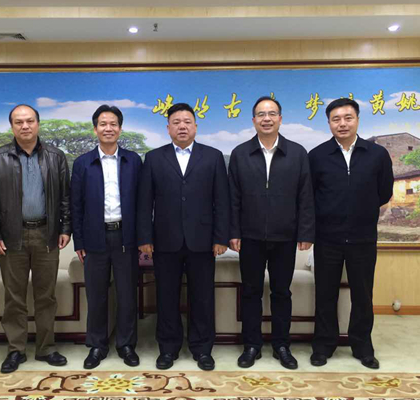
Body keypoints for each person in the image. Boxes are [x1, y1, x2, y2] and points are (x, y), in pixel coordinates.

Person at [137, 102, 230, 371]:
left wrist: (220, 237)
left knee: (202, 297)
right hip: (165, 240)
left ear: (196, 127)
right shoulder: (154, 158)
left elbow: (222, 200)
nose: (182, 126)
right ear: (168, 128)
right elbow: (144, 202)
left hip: (203, 240)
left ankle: (202, 349)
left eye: (187, 122)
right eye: (176, 122)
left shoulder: (213, 156)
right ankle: (168, 348)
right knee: (166, 297)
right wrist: (145, 237)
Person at [0, 104, 71, 373]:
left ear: (38, 124)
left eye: (30, 121)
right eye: (19, 122)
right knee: (14, 297)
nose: (25, 126)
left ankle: (46, 348)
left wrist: (65, 229)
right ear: (12, 126)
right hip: (12, 236)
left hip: (47, 235)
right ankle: (15, 350)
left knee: (46, 296)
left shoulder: (55, 156)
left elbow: (66, 198)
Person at [228, 96, 315, 370]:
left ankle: (281, 345)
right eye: (261, 114)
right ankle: (251, 345)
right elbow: (233, 197)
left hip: (285, 236)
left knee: (281, 293)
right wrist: (233, 231)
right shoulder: (241, 153)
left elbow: (305, 196)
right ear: (253, 120)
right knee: (251, 292)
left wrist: (305, 232)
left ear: (280, 119)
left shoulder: (297, 153)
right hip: (250, 236)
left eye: (272, 113)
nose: (266, 119)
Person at [308, 98, 393, 369]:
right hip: (327, 238)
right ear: (329, 123)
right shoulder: (317, 156)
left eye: (348, 118)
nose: (342, 124)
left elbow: (384, 192)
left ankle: (362, 346)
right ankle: (323, 346)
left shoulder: (377, 154)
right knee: (325, 295)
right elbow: (310, 195)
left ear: (357, 120)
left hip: (363, 238)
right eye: (336, 119)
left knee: (362, 295)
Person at [70, 105, 142, 369]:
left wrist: (142, 238)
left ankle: (126, 345)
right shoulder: (83, 163)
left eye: (113, 124)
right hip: (94, 238)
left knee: (127, 295)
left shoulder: (133, 161)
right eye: (103, 124)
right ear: (95, 129)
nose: (108, 128)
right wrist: (79, 241)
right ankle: (97, 346)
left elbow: (143, 202)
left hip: (126, 238)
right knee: (97, 295)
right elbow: (76, 205)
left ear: (120, 129)